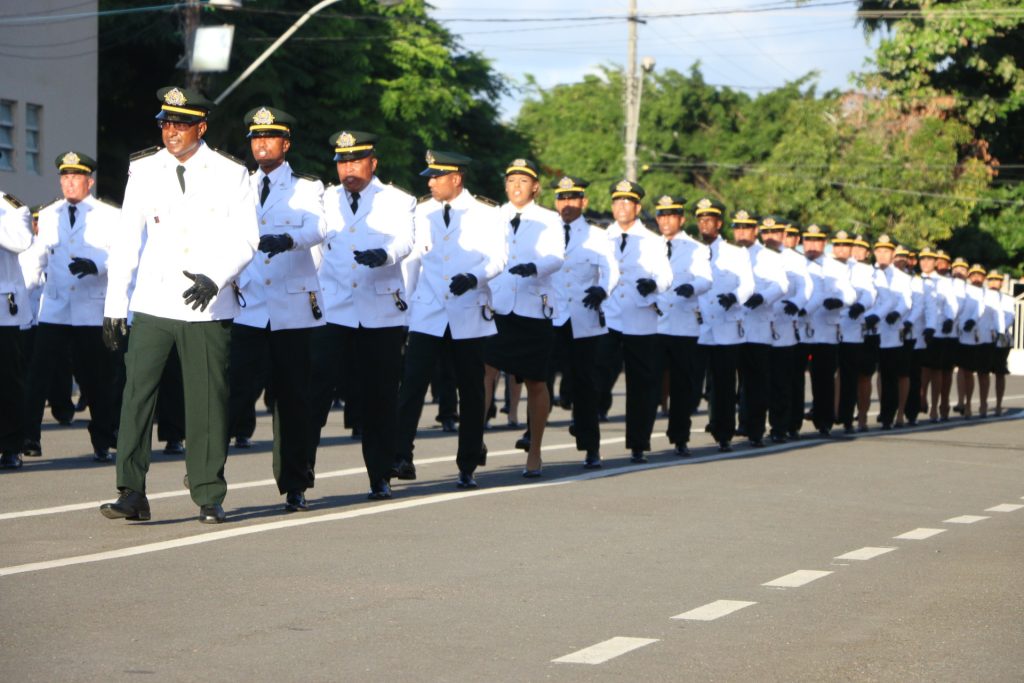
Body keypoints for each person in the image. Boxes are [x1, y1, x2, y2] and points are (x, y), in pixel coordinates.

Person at [99, 86, 258, 523]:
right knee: (137, 397)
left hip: (207, 305)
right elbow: (127, 239)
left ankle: (208, 493)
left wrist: (216, 276)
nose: (171, 131)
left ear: (200, 127)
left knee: (207, 401)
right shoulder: (144, 169)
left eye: (181, 124)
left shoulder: (230, 172)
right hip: (154, 300)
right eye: (166, 123)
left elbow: (247, 237)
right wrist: (115, 305)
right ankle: (131, 491)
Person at [229, 106, 326, 511]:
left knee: (293, 402)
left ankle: (296, 483)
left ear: (285, 144)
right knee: (231, 396)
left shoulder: (307, 186)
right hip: (248, 305)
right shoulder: (237, 185)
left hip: (291, 310)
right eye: (255, 137)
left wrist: (287, 240)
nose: (261, 144)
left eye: (269, 137)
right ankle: (208, 475)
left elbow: (319, 228)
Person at [393, 150, 505, 489]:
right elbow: (412, 262)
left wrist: (474, 277)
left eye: (436, 176)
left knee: (471, 391)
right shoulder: (421, 209)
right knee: (412, 386)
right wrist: (406, 312)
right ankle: (401, 455)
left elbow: (499, 257)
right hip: (427, 312)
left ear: (455, 178)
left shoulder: (486, 212)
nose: (429, 181)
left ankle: (468, 462)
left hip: (467, 311)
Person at [314, 129, 415, 500]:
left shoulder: (398, 200)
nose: (348, 167)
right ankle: (300, 478)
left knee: (380, 399)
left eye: (356, 160)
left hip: (380, 312)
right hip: (333, 309)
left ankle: (380, 474)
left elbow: (405, 240)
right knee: (315, 394)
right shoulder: (322, 199)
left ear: (373, 163)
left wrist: (384, 255)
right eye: (342, 161)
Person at [21, 151, 120, 462]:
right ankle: (29, 438)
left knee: (96, 378)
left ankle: (103, 438)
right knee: (38, 375)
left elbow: (121, 254)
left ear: (88, 181)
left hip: (90, 309)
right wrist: (24, 293)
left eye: (75, 177)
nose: (69, 183)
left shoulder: (109, 215)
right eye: (65, 177)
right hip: (55, 306)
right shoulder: (49, 214)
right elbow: (38, 254)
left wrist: (97, 264)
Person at [483, 159, 564, 476]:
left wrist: (535, 267)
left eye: (524, 181)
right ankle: (475, 442)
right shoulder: (492, 216)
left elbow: (556, 256)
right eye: (512, 181)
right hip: (497, 304)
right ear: (505, 186)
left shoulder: (549, 218)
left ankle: (535, 451)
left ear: (535, 187)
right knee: (484, 372)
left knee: (536, 381)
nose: (517, 186)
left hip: (532, 306)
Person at [549, 176, 618, 468]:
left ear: (583, 202)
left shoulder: (597, 235)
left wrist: (604, 289)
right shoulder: (545, 230)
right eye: (562, 198)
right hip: (551, 315)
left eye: (572, 198)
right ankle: (531, 438)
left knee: (586, 383)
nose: (566, 203)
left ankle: (591, 446)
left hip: (583, 315)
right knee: (538, 379)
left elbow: (612, 269)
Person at [603, 180, 672, 462]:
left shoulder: (654, 241)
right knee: (596, 375)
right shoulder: (600, 236)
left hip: (639, 317)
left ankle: (639, 442)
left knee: (641, 384)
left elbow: (666, 277)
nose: (622, 206)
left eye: (627, 202)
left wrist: (652, 283)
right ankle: (590, 439)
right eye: (617, 201)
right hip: (607, 316)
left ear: (638, 207)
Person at [695, 198, 754, 452]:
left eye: (709, 219)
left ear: (719, 223)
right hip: (697, 324)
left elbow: (748, 285)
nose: (704, 224)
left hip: (725, 323)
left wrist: (735, 298)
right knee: (695, 380)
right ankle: (702, 424)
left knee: (724, 381)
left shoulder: (735, 252)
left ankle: (724, 431)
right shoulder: (692, 250)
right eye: (700, 219)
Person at [655, 194, 710, 457]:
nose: (666, 221)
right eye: (661, 215)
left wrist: (693, 286)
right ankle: (640, 441)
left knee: (682, 386)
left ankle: (680, 436)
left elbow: (705, 280)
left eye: (671, 215)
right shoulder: (648, 244)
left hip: (682, 324)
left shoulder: (696, 248)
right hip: (652, 323)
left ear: (681, 219)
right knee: (648, 383)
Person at [731, 210, 787, 448]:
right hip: (730, 328)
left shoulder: (769, 257)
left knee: (756, 382)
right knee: (726, 381)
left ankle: (756, 429)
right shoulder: (726, 254)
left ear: (755, 231)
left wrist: (762, 297)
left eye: (746, 228)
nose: (741, 232)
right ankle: (727, 424)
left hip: (757, 328)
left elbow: (781, 285)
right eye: (738, 228)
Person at [760, 217, 811, 443]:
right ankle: (753, 424)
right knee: (759, 381)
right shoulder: (754, 255)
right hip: (758, 325)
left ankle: (783, 426)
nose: (770, 236)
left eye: (775, 232)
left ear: (783, 234)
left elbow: (805, 288)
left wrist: (797, 304)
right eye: (766, 232)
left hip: (784, 326)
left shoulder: (794, 259)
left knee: (783, 381)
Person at [800, 225, 855, 437]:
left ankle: (824, 420)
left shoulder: (836, 267)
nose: (812, 246)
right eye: (808, 241)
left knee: (824, 379)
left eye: (817, 241)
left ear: (824, 244)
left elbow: (850, 294)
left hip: (825, 331)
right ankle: (791, 422)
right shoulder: (795, 264)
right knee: (795, 378)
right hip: (800, 331)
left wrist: (839, 301)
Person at [0, 180, 33, 469]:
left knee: (7, 381)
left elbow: (22, 242)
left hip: (3, 311)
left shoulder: (11, 207)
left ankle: (11, 445)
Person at [863, 235, 912, 429]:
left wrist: (897, 313)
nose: (882, 255)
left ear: (893, 254)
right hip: (869, 331)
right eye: (879, 250)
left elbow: (906, 301)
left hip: (891, 331)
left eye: (887, 251)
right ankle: (862, 415)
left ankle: (887, 414)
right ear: (874, 252)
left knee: (889, 375)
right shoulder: (867, 272)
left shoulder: (902, 277)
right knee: (866, 375)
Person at [832, 230, 876, 434]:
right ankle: (829, 413)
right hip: (828, 327)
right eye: (838, 245)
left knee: (850, 375)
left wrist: (861, 305)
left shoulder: (862, 270)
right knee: (826, 373)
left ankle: (848, 417)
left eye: (847, 245)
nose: (843, 249)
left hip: (852, 328)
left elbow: (870, 293)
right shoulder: (827, 265)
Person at [955, 263, 989, 418]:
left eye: (979, 275)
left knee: (978, 372)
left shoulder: (988, 294)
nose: (976, 278)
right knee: (963, 370)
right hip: (964, 336)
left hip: (981, 338)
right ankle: (963, 402)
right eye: (973, 275)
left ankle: (979, 403)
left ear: (984, 278)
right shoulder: (965, 291)